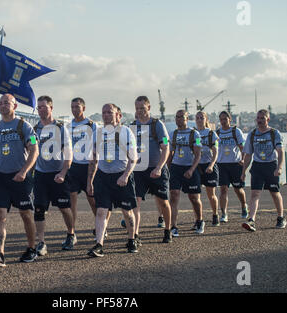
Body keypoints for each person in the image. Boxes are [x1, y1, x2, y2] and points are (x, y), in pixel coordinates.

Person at [0, 94, 39, 267]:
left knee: (26, 214)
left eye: (7, 102)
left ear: (15, 106)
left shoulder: (24, 126)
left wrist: (23, 172)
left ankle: (31, 248)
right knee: (0, 215)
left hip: (20, 176)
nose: (3, 105)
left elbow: (34, 150)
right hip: (0, 177)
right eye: (1, 103)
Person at [87, 103, 138, 257]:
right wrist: (90, 180)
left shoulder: (126, 132)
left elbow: (133, 158)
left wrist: (125, 176)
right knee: (101, 211)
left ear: (118, 115)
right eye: (104, 112)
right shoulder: (98, 133)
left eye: (110, 112)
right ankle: (99, 245)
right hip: (103, 177)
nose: (106, 115)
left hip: (121, 175)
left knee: (127, 212)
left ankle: (132, 239)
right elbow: (94, 159)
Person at [33, 95, 75, 255]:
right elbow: (31, 148)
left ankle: (71, 234)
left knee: (64, 208)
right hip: (40, 175)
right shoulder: (35, 129)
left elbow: (68, 153)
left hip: (59, 174)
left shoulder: (60, 128)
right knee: (39, 209)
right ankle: (41, 242)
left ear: (51, 108)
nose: (40, 110)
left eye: (44, 107)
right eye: (39, 107)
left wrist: (63, 172)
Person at [67, 97, 111, 240]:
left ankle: (101, 226)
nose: (74, 110)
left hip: (89, 167)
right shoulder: (68, 126)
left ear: (83, 108)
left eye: (77, 107)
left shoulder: (92, 126)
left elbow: (99, 147)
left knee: (92, 200)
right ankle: (71, 232)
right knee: (71, 198)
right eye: (72, 107)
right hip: (73, 166)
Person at [130, 96, 172, 244]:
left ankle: (168, 230)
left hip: (156, 170)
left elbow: (166, 148)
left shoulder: (157, 125)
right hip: (139, 171)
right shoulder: (132, 126)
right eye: (137, 108)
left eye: (142, 108)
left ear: (149, 107)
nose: (140, 111)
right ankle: (134, 235)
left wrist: (159, 167)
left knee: (163, 202)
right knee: (135, 202)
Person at [241, 109, 286, 232]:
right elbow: (248, 154)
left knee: (274, 192)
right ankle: (251, 220)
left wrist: (279, 167)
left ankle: (281, 217)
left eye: (262, 118)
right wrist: (243, 171)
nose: (260, 121)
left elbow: (280, 152)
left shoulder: (274, 133)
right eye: (258, 118)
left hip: (271, 166)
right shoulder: (252, 134)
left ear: (268, 119)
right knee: (255, 194)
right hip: (257, 167)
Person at [167, 110, 204, 236]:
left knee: (194, 197)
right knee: (174, 195)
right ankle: (173, 226)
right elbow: (169, 153)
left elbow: (198, 155)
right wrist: (167, 168)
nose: (179, 119)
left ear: (187, 118)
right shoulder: (172, 134)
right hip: (176, 168)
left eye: (181, 117)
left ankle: (199, 221)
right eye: (177, 117)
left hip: (190, 168)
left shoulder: (195, 134)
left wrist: (191, 169)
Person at [216, 111, 248, 222]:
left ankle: (244, 205)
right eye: (221, 119)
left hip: (235, 164)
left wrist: (243, 159)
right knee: (223, 190)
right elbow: (213, 149)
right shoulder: (217, 133)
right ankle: (224, 213)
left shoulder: (236, 131)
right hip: (221, 165)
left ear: (230, 119)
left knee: (238, 189)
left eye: (225, 119)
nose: (223, 121)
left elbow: (242, 146)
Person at [195, 111, 220, 227]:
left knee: (211, 194)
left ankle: (215, 215)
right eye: (197, 118)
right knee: (195, 195)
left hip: (208, 165)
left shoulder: (211, 134)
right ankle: (198, 219)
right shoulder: (193, 133)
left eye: (201, 118)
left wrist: (211, 165)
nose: (199, 120)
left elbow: (215, 151)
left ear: (206, 120)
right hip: (197, 166)